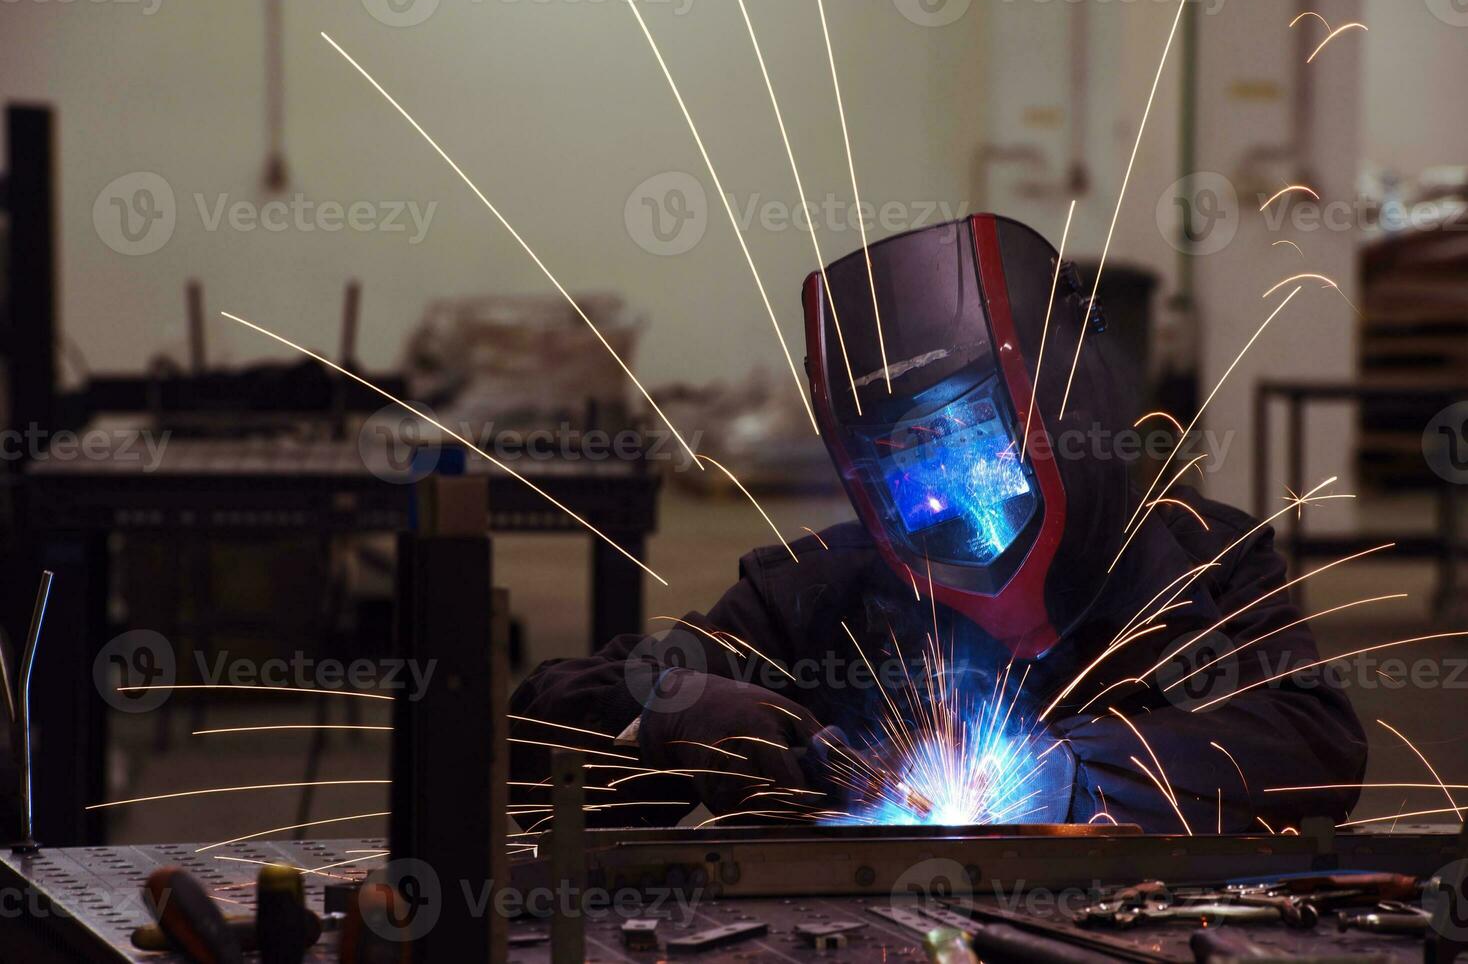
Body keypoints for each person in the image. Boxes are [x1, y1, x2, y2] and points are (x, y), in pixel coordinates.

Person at [510, 215, 1366, 831]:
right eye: (901, 457)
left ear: (1059, 409)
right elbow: (534, 724)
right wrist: (665, 712)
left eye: (967, 441)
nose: (942, 489)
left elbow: (1311, 745)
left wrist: (1063, 775)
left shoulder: (1194, 565)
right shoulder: (819, 597)